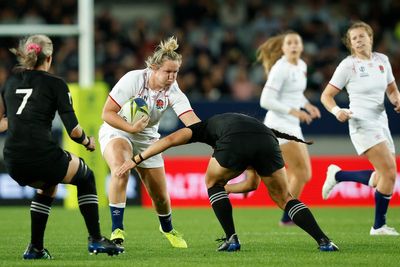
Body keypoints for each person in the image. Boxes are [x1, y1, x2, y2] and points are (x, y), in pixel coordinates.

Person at [116, 112, 339, 252]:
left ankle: (231, 239)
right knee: (285, 198)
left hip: (237, 140)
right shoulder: (244, 124)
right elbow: (252, 185)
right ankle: (324, 241)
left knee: (212, 183)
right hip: (268, 141)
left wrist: (137, 159)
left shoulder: (202, 128)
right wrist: (228, 190)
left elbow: (169, 140)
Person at [0, 35, 123, 259]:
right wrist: (88, 141)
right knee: (86, 175)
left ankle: (35, 249)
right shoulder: (55, 84)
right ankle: (96, 239)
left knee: (48, 186)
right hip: (40, 155)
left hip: (12, 159)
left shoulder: (9, 83)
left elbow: (3, 122)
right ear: (49, 57)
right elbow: (74, 131)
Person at [99, 36, 200, 248]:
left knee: (160, 197)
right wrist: (130, 128)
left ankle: (167, 229)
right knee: (120, 168)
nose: (172, 77)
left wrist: (216, 134)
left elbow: (191, 120)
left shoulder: (173, 90)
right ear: (154, 68)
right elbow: (107, 113)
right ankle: (117, 231)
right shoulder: (134, 79)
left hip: (147, 138)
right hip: (118, 130)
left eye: (176, 72)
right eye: (168, 72)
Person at [225, 31, 320, 226]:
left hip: (292, 125)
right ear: (283, 48)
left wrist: (307, 105)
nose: (294, 45)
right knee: (302, 173)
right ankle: (288, 216)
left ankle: (251, 170)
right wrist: (294, 111)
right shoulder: (280, 68)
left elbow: (295, 93)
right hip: (279, 125)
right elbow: (265, 100)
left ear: (301, 47)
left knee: (299, 174)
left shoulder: (301, 65)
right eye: (289, 43)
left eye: (297, 42)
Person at [320, 21, 400, 236]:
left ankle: (338, 176)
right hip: (361, 122)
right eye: (354, 38)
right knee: (389, 172)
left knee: (386, 176)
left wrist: (397, 100)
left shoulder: (382, 60)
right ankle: (378, 226)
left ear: (370, 38)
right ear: (350, 44)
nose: (358, 40)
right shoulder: (348, 65)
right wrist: (337, 111)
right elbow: (326, 96)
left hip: (381, 121)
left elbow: (392, 89)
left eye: (362, 36)